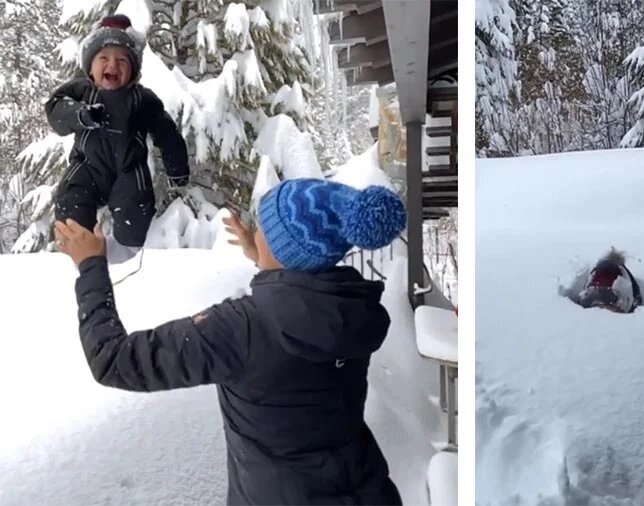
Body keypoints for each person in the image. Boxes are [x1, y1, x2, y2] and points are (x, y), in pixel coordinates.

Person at [54, 178, 407, 505]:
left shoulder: (239, 329)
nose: (257, 229)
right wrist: (269, 265)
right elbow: (299, 305)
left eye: (265, 225)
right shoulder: (354, 311)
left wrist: (90, 267)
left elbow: (113, 361)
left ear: (282, 247)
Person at [47, 14, 189, 263]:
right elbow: (56, 108)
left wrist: (177, 168)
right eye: (103, 58)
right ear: (90, 67)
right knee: (71, 199)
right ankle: (75, 254)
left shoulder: (141, 99)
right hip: (87, 167)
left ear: (133, 71)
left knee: (134, 206)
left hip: (128, 170)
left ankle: (129, 257)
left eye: (122, 60)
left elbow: (166, 132)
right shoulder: (83, 91)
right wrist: (79, 115)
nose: (112, 65)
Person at [577, 248, 642, 313]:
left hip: (593, 296)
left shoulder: (597, 269)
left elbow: (585, 288)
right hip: (614, 299)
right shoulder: (623, 270)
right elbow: (636, 294)